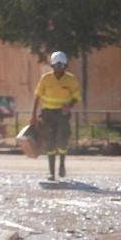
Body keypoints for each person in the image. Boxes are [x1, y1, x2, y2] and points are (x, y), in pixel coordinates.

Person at [32, 50, 80, 180]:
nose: (59, 69)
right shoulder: (45, 79)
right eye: (56, 66)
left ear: (65, 66)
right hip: (47, 114)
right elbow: (37, 96)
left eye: (61, 66)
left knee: (62, 141)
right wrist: (33, 116)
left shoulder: (71, 80)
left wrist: (69, 106)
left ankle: (62, 165)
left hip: (62, 115)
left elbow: (76, 97)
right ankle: (51, 173)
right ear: (52, 66)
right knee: (50, 142)